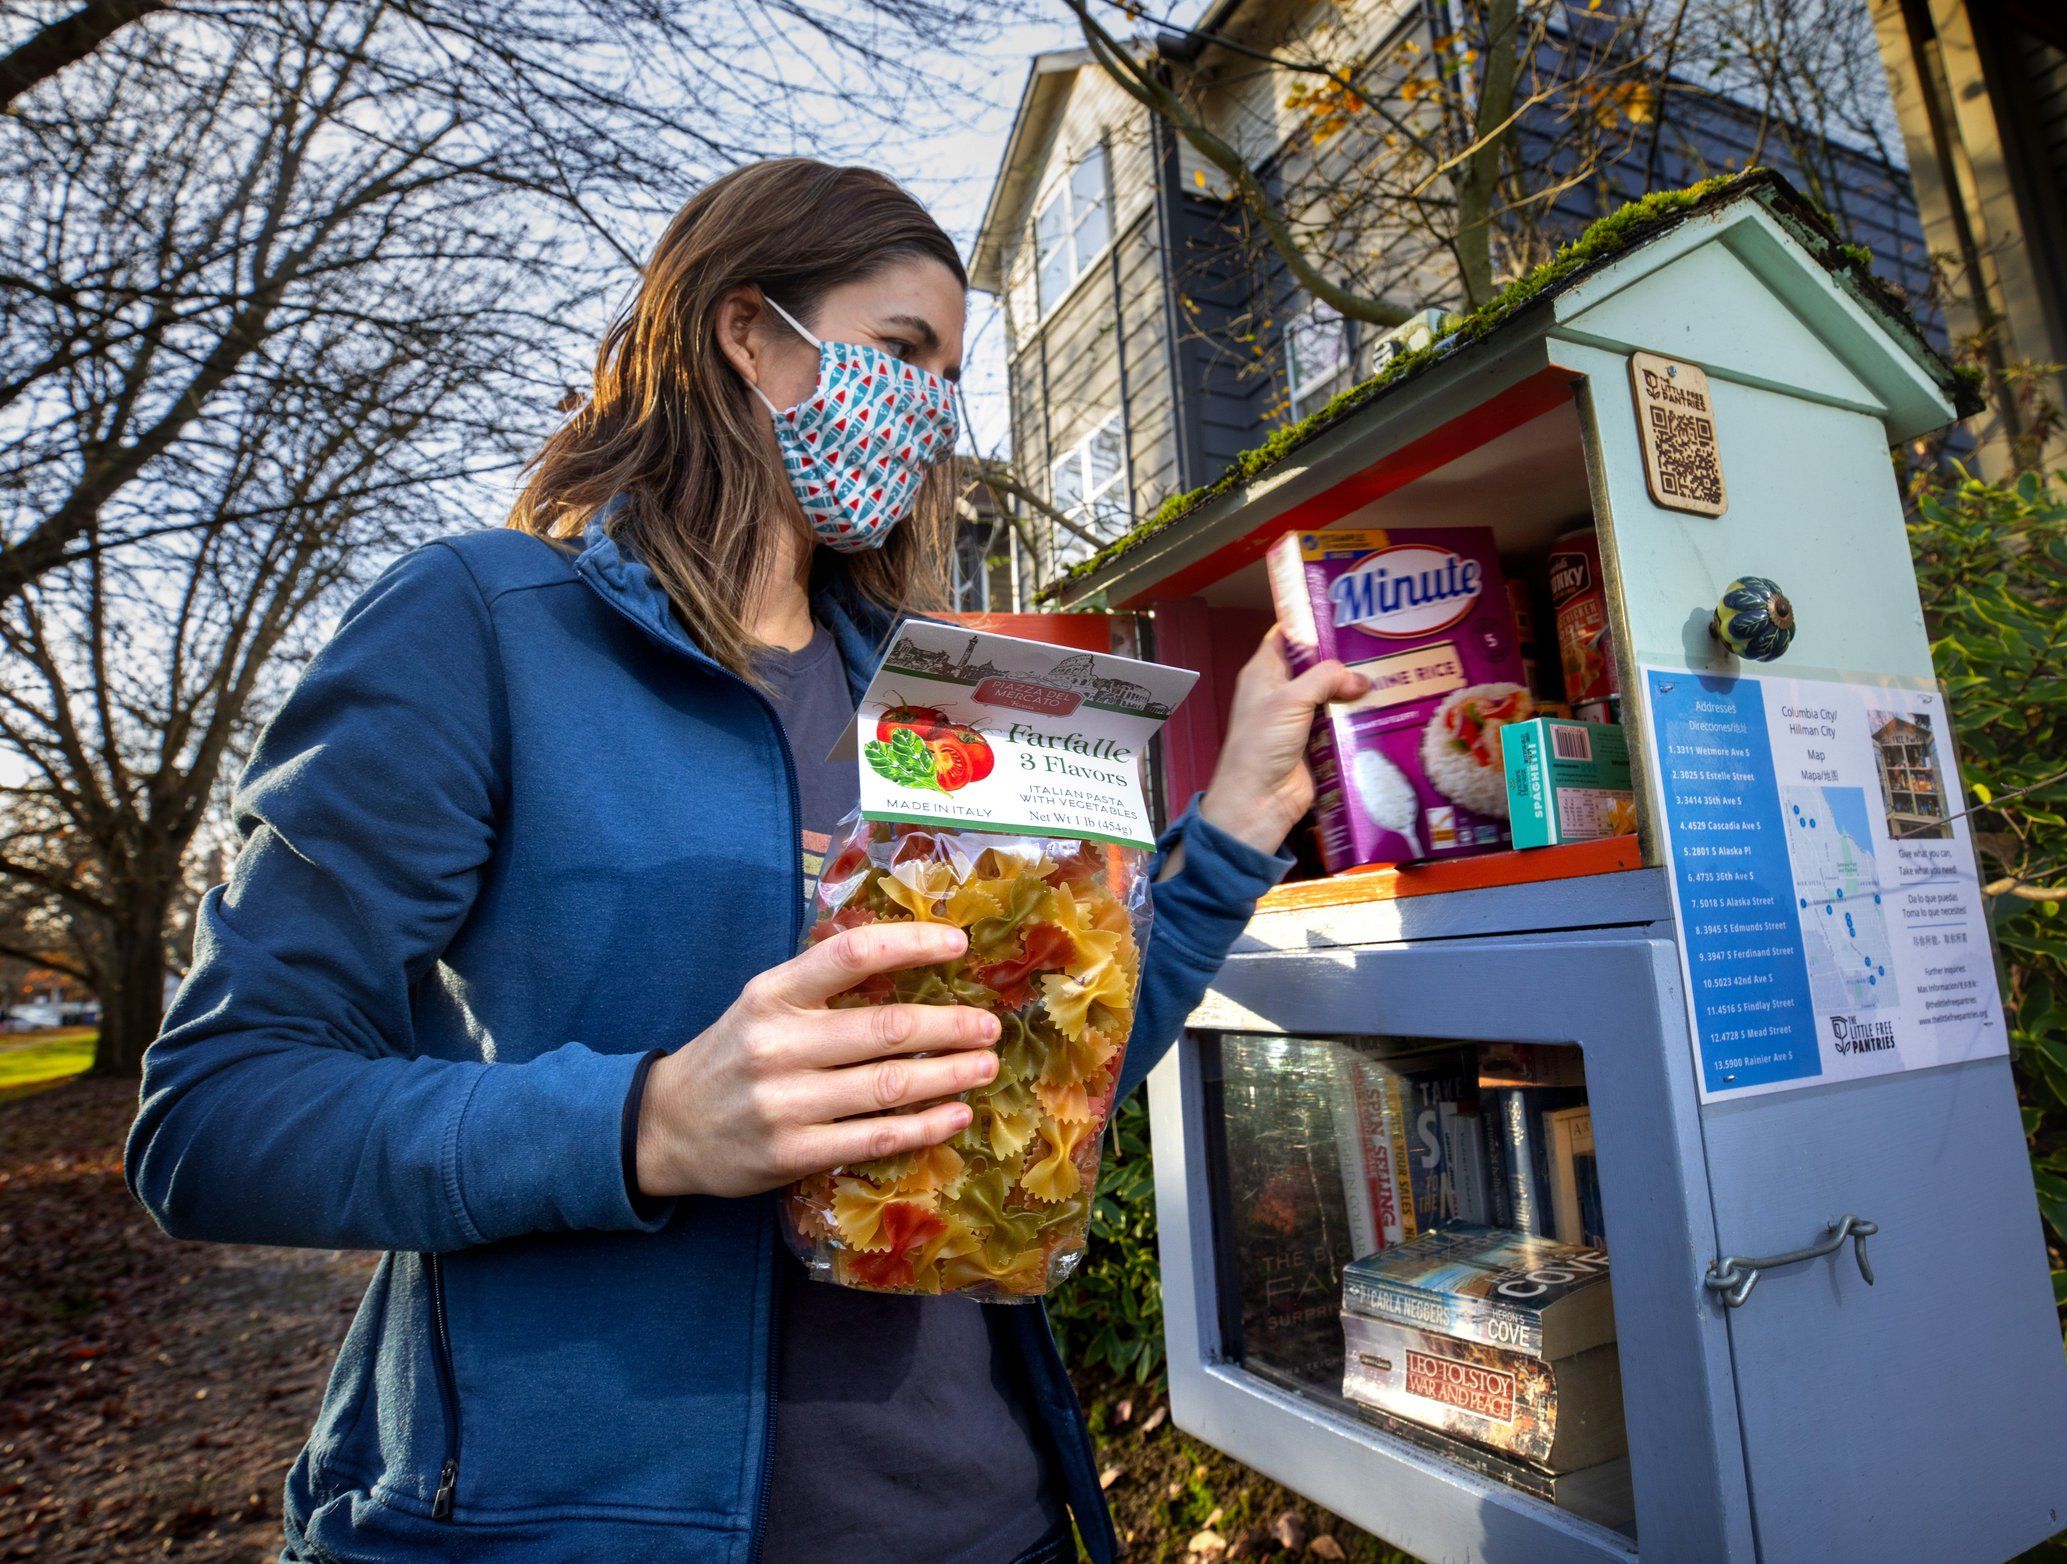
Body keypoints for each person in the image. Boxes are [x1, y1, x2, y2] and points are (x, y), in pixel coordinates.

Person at [126, 158, 1364, 1564]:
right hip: (578, 1530)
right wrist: (644, 1126)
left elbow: (1037, 1074)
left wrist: (1246, 817)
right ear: (746, 330)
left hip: (983, 1519)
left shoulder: (939, 706)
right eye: (900, 351)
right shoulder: (483, 627)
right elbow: (216, 1114)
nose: (930, 410)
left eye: (950, 376)